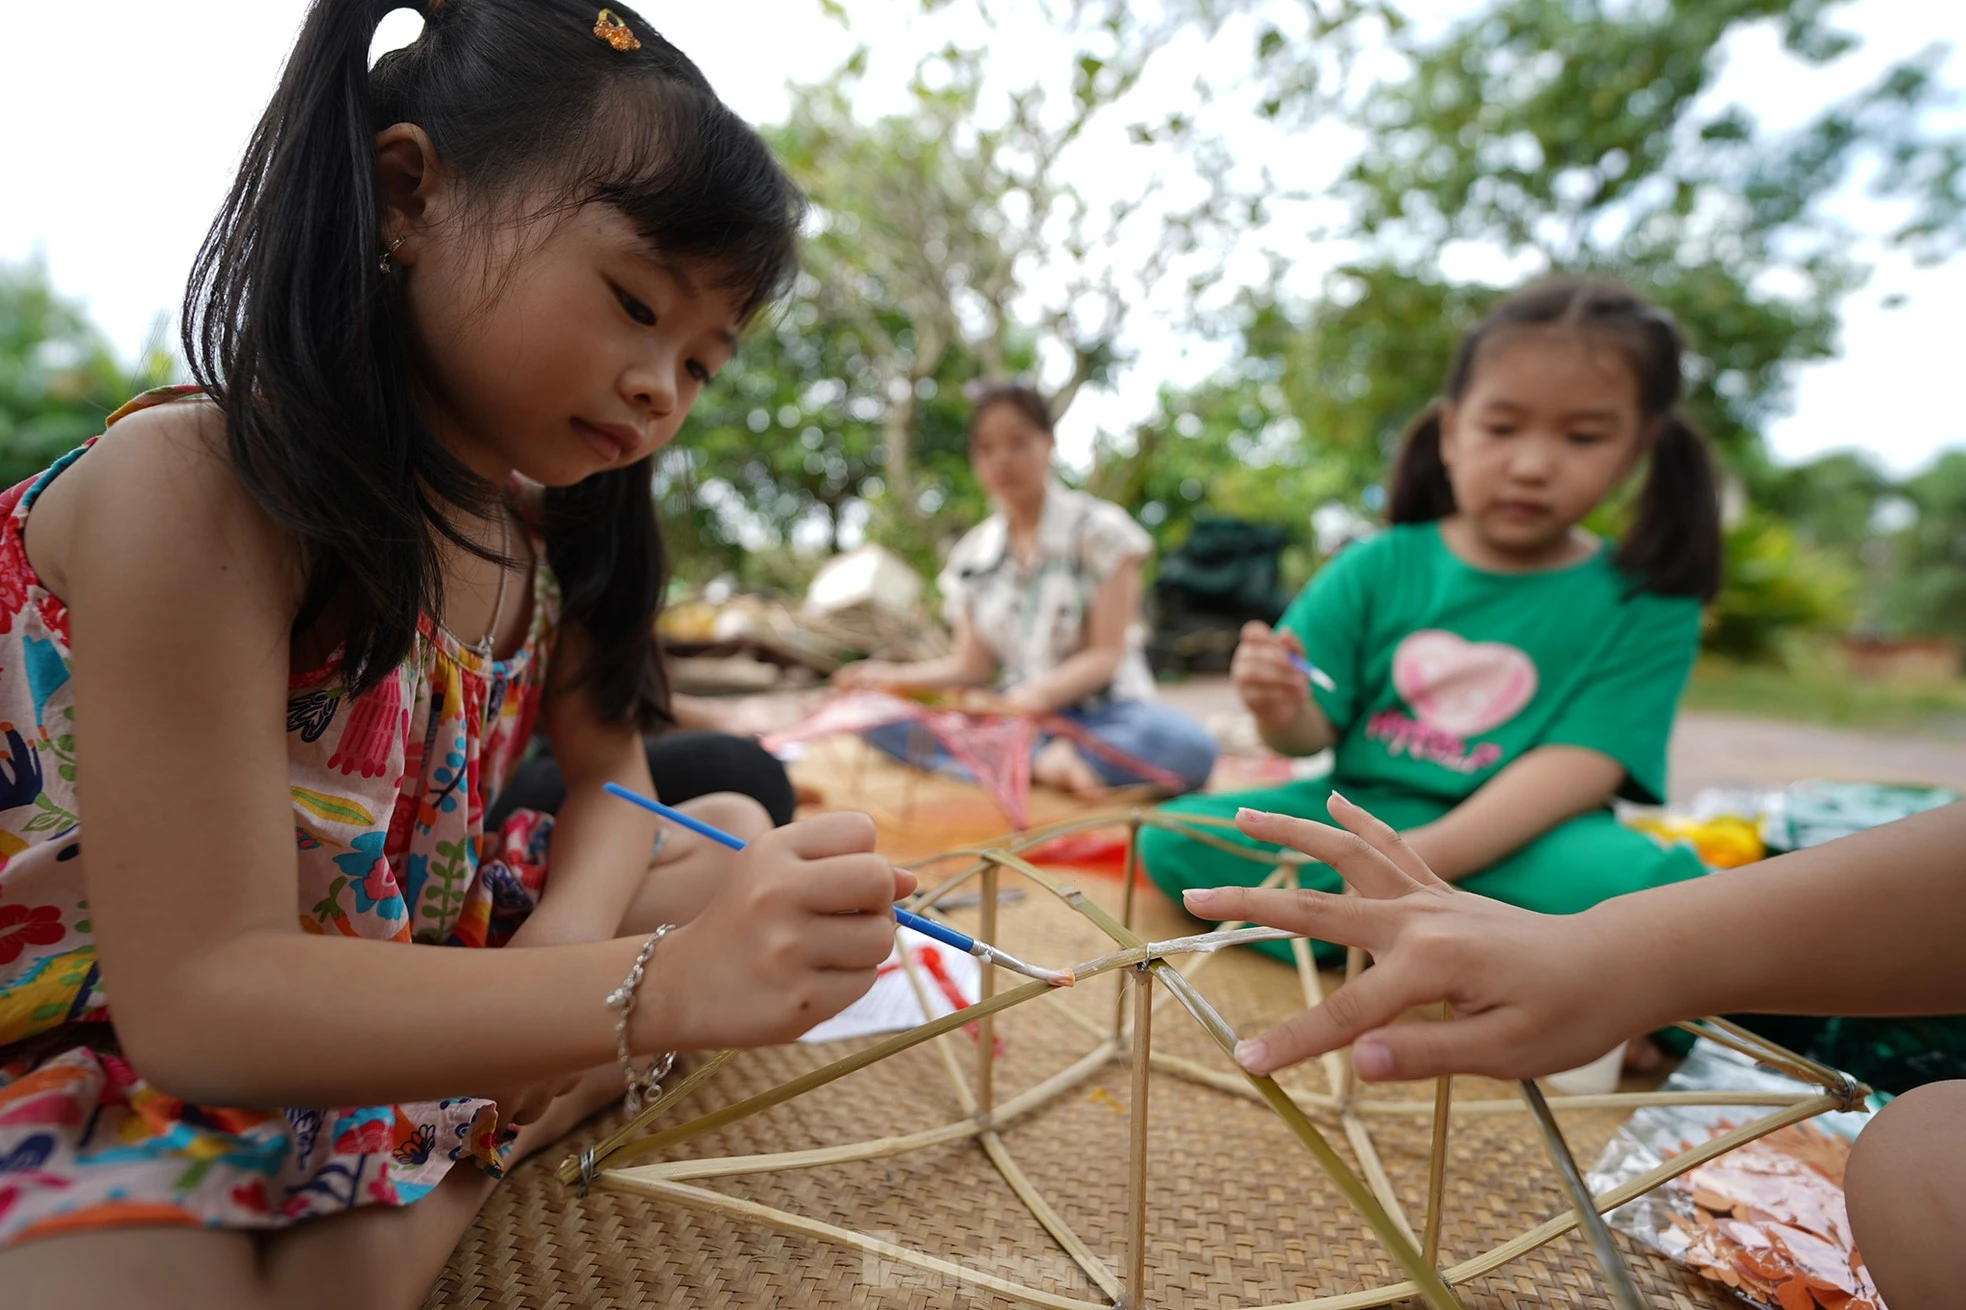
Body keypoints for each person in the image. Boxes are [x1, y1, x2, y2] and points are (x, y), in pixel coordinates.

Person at [0, 4, 914, 1306]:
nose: (661, 386)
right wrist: (648, 991)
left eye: (703, 363)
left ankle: (445, 1137)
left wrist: (574, 947)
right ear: (408, 192)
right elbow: (195, 998)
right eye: (633, 303)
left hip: (391, 956)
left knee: (723, 823)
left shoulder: (549, 534)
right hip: (115, 998)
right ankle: (461, 1149)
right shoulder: (198, 484)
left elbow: (617, 775)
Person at [1142, 278, 1722, 1006]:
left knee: (1658, 897)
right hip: (1359, 814)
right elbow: (1305, 733)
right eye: (1502, 428)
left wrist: (1408, 875)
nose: (1532, 464)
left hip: (1530, 841)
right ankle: (1505, 965)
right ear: (1451, 433)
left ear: (1638, 449)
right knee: (1175, 837)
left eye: (1582, 437)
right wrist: (1277, 705)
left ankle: (1402, 940)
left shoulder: (1648, 597)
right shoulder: (1376, 564)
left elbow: (1584, 765)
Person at [1188, 797, 1966, 1310]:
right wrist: (1606, 951)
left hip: (1539, 826)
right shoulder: (1381, 569)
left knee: (1915, 1156)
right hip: (1397, 800)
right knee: (1183, 837)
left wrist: (1611, 952)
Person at [834, 384, 1217, 799]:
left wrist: (1037, 697)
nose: (1002, 459)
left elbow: (1106, 656)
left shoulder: (1104, 532)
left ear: (1048, 444)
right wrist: (889, 679)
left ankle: (1015, 758)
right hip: (1012, 715)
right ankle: (1040, 760)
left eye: (1017, 442)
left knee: (1190, 749)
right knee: (871, 717)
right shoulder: (971, 557)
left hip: (1102, 714)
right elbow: (971, 666)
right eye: (987, 448)